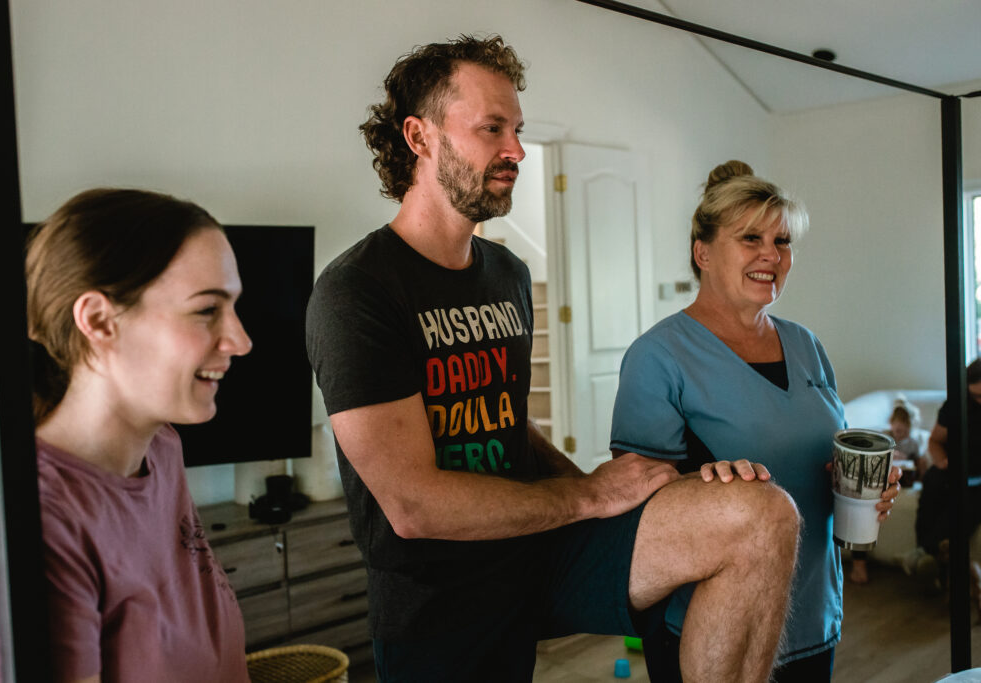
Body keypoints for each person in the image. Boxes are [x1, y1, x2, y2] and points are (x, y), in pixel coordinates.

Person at [306, 36, 801, 683]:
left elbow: (506, 422)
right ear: (419, 137)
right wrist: (585, 494)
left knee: (761, 516)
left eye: (517, 130)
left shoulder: (507, 273)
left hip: (539, 552)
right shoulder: (357, 291)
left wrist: (612, 493)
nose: (515, 150)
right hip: (439, 595)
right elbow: (413, 503)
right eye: (492, 128)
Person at [610, 161, 902, 682]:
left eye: (783, 241)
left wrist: (858, 489)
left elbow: (818, 463)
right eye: (751, 238)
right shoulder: (659, 357)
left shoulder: (807, 346)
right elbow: (637, 504)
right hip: (710, 629)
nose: (772, 254)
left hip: (812, 611)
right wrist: (706, 488)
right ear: (703, 252)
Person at [0, 189, 253, 682]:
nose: (240, 340)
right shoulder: (12, 531)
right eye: (206, 310)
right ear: (97, 320)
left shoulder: (160, 450)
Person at [910, 360, 981, 600]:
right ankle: (930, 553)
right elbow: (935, 441)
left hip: (978, 478)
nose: (978, 400)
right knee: (932, 484)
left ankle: (927, 554)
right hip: (953, 468)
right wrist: (942, 462)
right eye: (974, 395)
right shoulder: (956, 405)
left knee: (968, 499)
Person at [851, 396, 922, 584]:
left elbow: (920, 467)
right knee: (864, 511)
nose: (900, 434)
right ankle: (859, 564)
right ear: (891, 424)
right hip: (879, 479)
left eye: (904, 431)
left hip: (902, 479)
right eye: (897, 430)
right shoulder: (883, 438)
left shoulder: (913, 444)